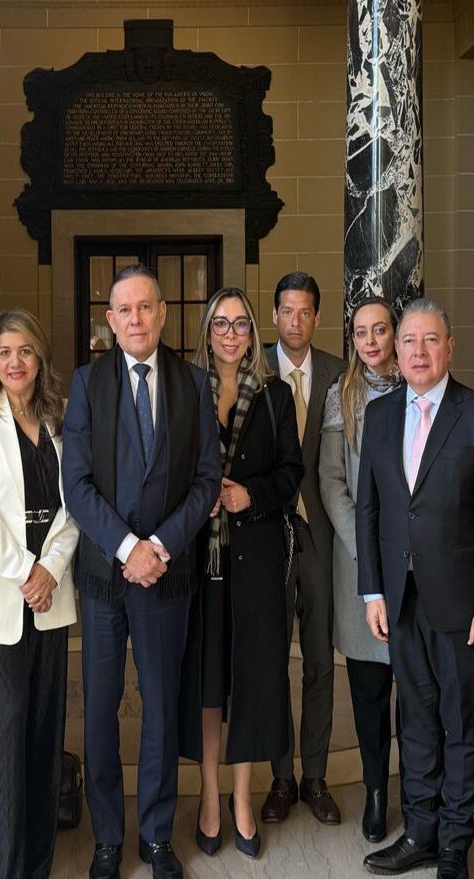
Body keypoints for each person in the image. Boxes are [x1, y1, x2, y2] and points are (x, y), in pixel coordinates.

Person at [62, 264, 219, 879]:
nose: (135, 319)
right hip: (105, 576)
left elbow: (207, 478)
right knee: (100, 710)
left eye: (145, 307)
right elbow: (75, 483)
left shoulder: (193, 382)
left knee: (159, 706)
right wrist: (129, 547)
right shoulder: (87, 382)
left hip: (167, 575)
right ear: (109, 319)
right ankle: (107, 837)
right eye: (123, 310)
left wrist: (160, 546)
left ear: (162, 312)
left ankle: (155, 837)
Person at [355, 299, 474, 879]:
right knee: (416, 721)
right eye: (408, 342)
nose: (418, 352)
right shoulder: (377, 417)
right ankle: (420, 832)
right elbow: (369, 512)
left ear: (450, 347)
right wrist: (372, 592)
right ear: (395, 353)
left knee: (462, 721)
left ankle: (455, 841)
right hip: (399, 601)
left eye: (430, 341)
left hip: (463, 606)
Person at [0, 308, 78, 879]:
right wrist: (28, 571)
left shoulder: (61, 415)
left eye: (25, 351)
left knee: (44, 740)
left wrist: (50, 568)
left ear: (39, 356)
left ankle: (37, 865)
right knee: (1, 747)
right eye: (5, 353)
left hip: (50, 602)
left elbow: (77, 501)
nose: (15, 362)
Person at [179, 288, 304, 860]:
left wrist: (247, 495)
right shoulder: (183, 393)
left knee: (250, 683)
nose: (231, 334)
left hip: (253, 560)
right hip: (197, 563)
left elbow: (291, 474)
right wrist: (194, 500)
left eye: (241, 325)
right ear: (208, 333)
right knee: (208, 687)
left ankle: (242, 799)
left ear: (254, 334)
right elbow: (165, 469)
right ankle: (208, 797)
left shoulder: (276, 397)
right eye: (220, 324)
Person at [260, 271, 347, 827]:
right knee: (271, 663)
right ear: (275, 315)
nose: (295, 321)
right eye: (286, 311)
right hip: (265, 534)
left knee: (319, 660)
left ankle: (314, 776)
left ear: (317, 316)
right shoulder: (253, 367)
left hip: (318, 531)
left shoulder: (340, 372)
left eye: (305, 312)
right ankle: (280, 779)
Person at [317, 296, 402, 844]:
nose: (370, 341)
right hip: (358, 565)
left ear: (397, 332)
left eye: (380, 330)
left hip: (417, 564)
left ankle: (421, 791)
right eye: (361, 333)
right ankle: (375, 792)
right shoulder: (340, 395)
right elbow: (331, 482)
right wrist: (365, 549)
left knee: (418, 696)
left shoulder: (423, 382)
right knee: (370, 693)